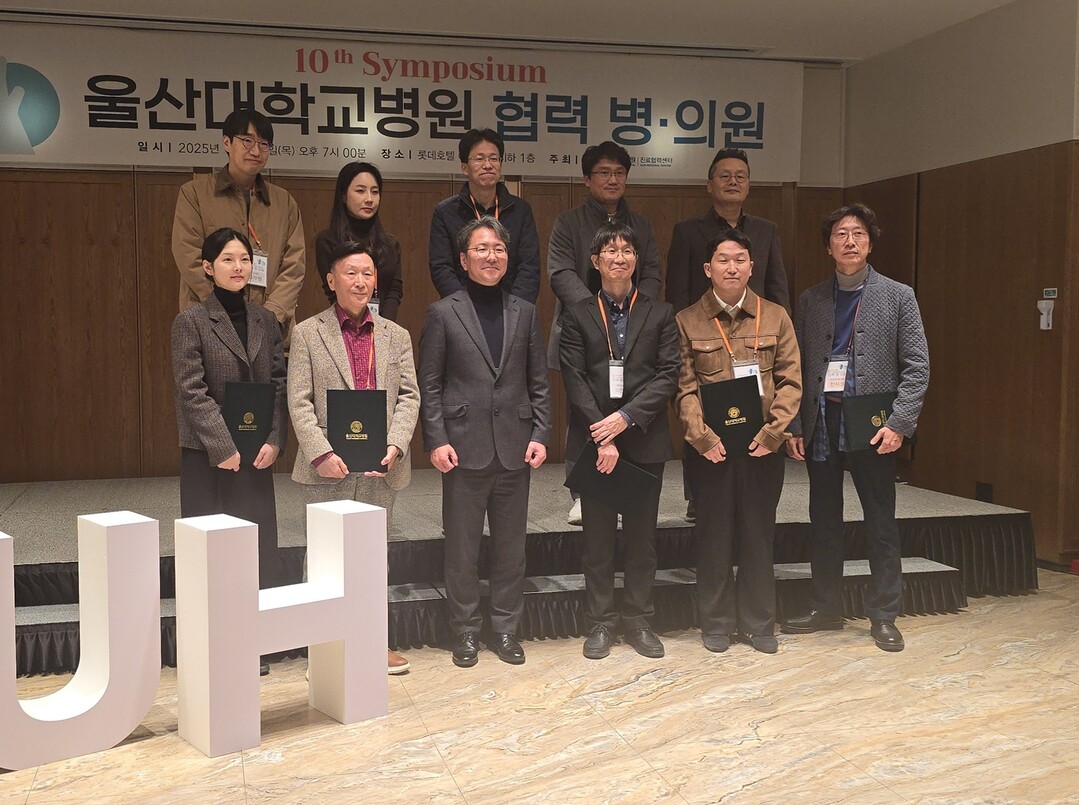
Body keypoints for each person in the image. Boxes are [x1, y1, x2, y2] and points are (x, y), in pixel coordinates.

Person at [781, 204, 929, 652]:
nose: (849, 241)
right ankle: (826, 607)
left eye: (858, 233)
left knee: (880, 521)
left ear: (870, 242)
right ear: (828, 246)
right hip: (823, 422)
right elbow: (795, 368)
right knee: (824, 520)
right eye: (841, 234)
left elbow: (917, 367)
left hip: (874, 426)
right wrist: (794, 424)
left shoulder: (899, 296)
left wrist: (900, 423)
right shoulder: (811, 300)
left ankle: (884, 614)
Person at [418, 217, 551, 668]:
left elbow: (538, 381)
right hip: (461, 445)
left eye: (498, 249)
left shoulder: (525, 311)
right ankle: (466, 631)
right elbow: (429, 383)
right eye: (481, 248)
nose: (491, 256)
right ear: (463, 259)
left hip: (515, 445)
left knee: (512, 549)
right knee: (462, 549)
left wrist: (541, 432)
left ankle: (507, 629)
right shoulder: (443, 313)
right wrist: (436, 439)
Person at [288, 241, 420, 675]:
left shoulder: (396, 335)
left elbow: (409, 396)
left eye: (367, 273)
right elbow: (298, 401)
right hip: (329, 467)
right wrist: (320, 453)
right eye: (351, 273)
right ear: (331, 280)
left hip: (381, 465)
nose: (361, 281)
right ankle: (324, 652)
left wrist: (396, 445)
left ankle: (372, 643)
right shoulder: (308, 332)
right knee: (325, 560)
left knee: (372, 560)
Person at [676, 229, 801, 654]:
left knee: (757, 535)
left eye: (740, 259)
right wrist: (701, 437)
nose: (732, 267)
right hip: (710, 449)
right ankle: (715, 622)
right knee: (713, 536)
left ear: (752, 266)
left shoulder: (776, 317)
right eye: (723, 260)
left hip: (762, 446)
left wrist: (773, 433)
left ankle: (758, 622)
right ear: (708, 268)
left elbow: (791, 381)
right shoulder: (687, 320)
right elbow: (684, 388)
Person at [558, 222, 680, 660]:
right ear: (595, 261)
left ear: (636, 260)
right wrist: (603, 433)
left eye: (627, 250)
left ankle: (639, 620)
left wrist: (624, 420)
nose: (619, 257)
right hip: (595, 443)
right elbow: (574, 378)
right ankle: (601, 622)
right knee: (598, 541)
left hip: (644, 438)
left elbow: (668, 374)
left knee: (642, 541)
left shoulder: (660, 313)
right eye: (610, 251)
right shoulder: (577, 314)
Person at [171, 227, 287, 675]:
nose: (238, 267)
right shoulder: (191, 321)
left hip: (256, 453)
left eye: (244, 259)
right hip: (208, 457)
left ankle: (256, 642)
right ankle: (217, 644)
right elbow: (191, 390)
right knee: (215, 553)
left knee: (257, 548)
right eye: (227, 259)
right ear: (208, 266)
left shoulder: (265, 320)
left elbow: (278, 383)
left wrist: (275, 439)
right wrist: (222, 446)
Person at [667, 147, 790, 522]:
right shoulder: (688, 231)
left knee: (754, 420)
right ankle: (697, 496)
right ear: (709, 185)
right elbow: (678, 294)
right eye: (725, 175)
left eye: (741, 176)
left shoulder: (766, 231)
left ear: (749, 185)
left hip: (757, 341)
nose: (733, 181)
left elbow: (777, 289)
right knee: (703, 415)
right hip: (705, 341)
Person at [547, 140, 662, 524]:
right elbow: (560, 273)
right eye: (603, 173)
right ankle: (584, 493)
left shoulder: (641, 224)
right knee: (584, 412)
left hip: (635, 333)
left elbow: (652, 273)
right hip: (582, 333)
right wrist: (596, 317)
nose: (612, 179)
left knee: (629, 410)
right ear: (587, 179)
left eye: (619, 173)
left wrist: (635, 315)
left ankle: (627, 488)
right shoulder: (568, 222)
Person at [172, 109, 306, 347]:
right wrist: (225, 311)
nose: (255, 151)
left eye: (264, 144)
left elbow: (294, 266)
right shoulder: (194, 194)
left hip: (270, 329)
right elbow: (188, 255)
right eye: (247, 141)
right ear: (227, 142)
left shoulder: (284, 202)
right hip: (210, 324)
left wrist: (270, 316)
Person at [428, 128, 540, 302]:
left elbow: (529, 266)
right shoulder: (445, 212)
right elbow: (441, 267)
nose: (487, 165)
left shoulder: (520, 210)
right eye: (479, 159)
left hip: (511, 305)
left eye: (494, 158)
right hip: (463, 306)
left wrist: (516, 309)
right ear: (464, 168)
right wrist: (463, 307)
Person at [315, 163, 403, 321]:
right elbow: (333, 293)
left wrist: (383, 327)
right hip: (344, 325)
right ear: (343, 195)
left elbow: (394, 291)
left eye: (375, 192)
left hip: (385, 326)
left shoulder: (390, 243)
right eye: (360, 191)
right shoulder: (327, 241)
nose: (369, 199)